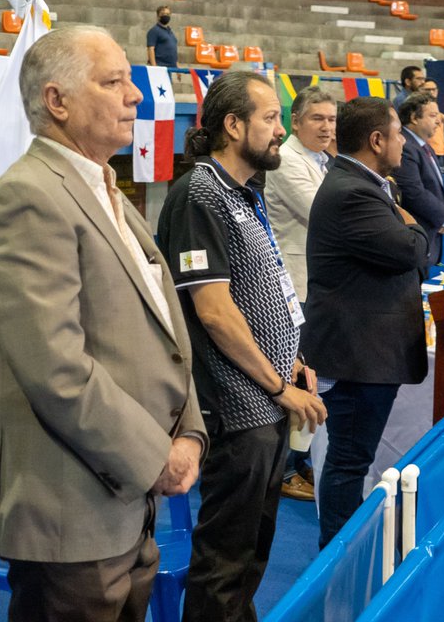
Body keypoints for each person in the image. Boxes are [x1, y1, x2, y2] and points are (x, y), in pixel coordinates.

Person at [0, 25, 206, 622]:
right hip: (70, 512)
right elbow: (57, 369)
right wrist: (159, 456)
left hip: (127, 501)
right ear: (57, 101)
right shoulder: (27, 197)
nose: (136, 96)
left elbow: (165, 335)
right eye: (114, 81)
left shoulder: (109, 193)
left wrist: (190, 432)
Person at [157, 72, 325, 622]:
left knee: (252, 552)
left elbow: (262, 291)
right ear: (233, 126)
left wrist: (291, 361)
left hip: (267, 401)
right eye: (271, 119)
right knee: (225, 560)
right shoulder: (199, 193)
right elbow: (214, 311)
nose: (281, 131)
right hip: (236, 406)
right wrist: (279, 386)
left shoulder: (244, 193)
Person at [303, 97, 429, 548]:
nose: (403, 144)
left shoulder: (367, 185)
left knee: (351, 460)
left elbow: (413, 258)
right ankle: (337, 564)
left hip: (365, 352)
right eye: (398, 135)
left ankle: (343, 556)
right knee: (348, 463)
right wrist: (412, 226)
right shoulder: (353, 191)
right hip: (358, 357)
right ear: (377, 140)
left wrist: (406, 226)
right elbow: (413, 250)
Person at [262, 87, 336, 502]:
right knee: (299, 378)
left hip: (316, 284)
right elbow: (326, 216)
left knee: (311, 378)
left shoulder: (319, 161)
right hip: (297, 285)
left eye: (332, 120)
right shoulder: (287, 162)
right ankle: (288, 470)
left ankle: (304, 462)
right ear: (296, 122)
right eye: (318, 119)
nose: (327, 128)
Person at [394, 92, 444, 268]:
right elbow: (413, 192)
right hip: (415, 235)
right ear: (414, 118)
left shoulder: (424, 146)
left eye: (438, 116)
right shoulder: (406, 147)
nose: (438, 121)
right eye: (432, 116)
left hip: (430, 233)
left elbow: (437, 186)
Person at [420, 78, 444, 160]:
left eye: (434, 89)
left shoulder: (435, 106)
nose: (431, 92)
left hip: (439, 150)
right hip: (428, 150)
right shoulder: (420, 106)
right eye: (428, 90)